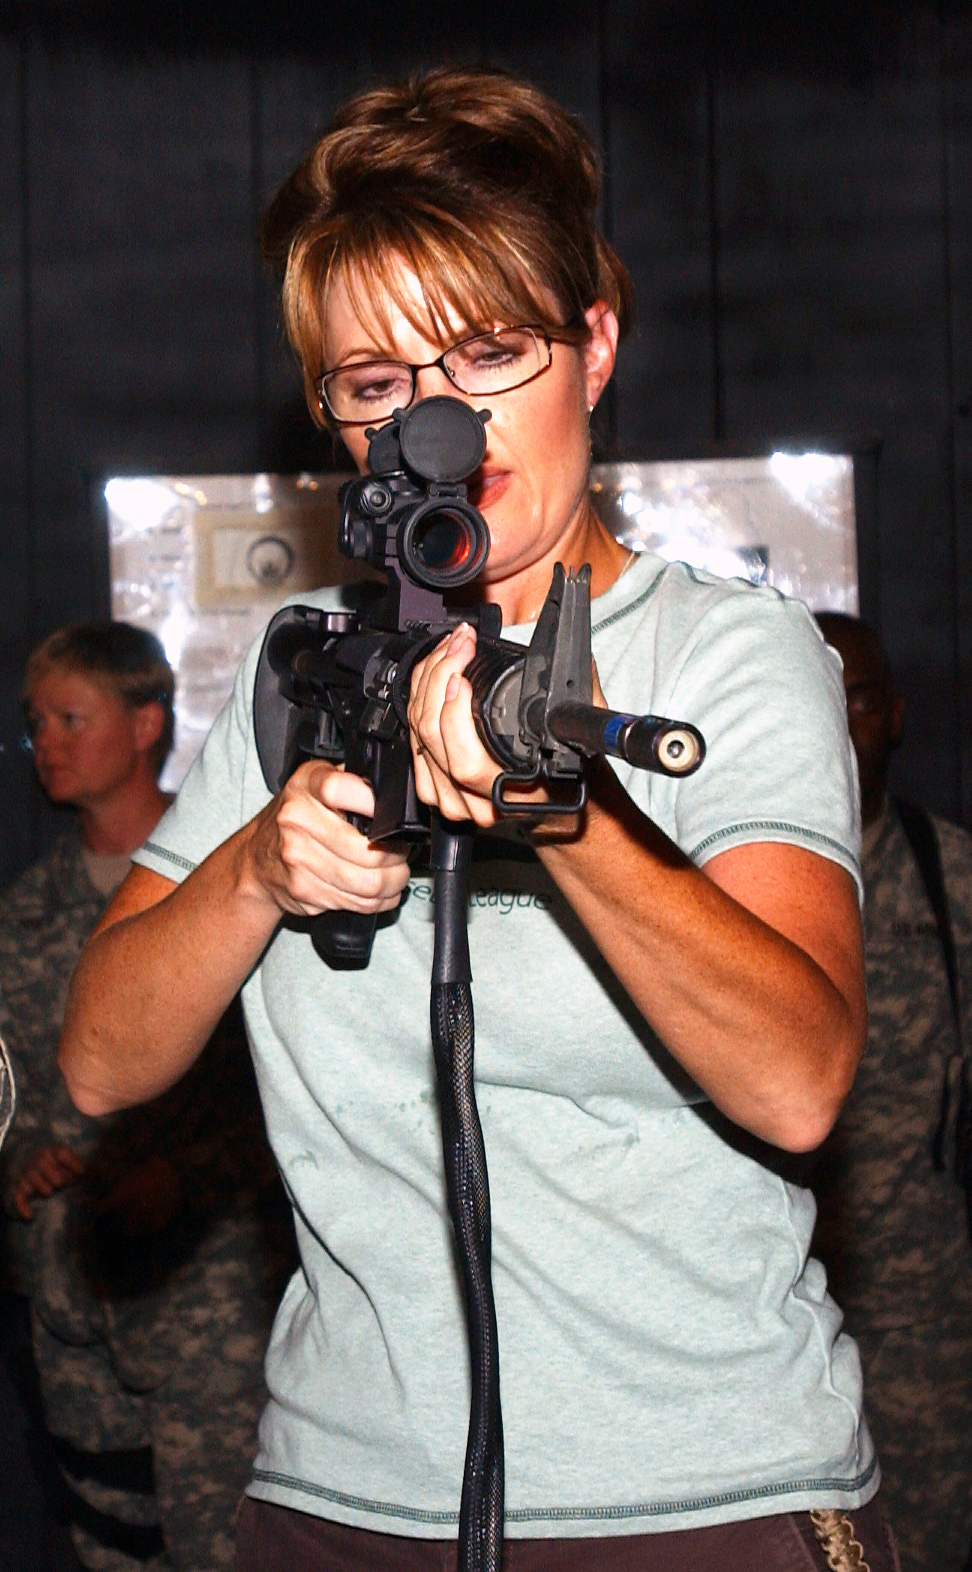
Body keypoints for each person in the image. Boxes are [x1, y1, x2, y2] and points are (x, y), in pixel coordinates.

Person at [58, 69, 890, 1571]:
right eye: (376, 382)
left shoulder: (724, 656)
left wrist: (568, 824)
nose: (440, 418)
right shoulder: (306, 659)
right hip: (341, 1496)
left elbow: (798, 1081)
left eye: (489, 352)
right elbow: (104, 1060)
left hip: (698, 1504)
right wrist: (258, 866)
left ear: (595, 348)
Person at [0, 622, 295, 1572]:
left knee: (222, 1546)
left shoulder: (233, 880)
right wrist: (16, 1156)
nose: (44, 739)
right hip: (67, 1290)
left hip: (205, 1296)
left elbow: (285, 1079)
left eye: (69, 717)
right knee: (109, 1543)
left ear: (144, 726)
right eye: (35, 720)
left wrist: (191, 1176)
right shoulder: (23, 908)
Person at [812, 610, 972, 1572]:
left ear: (895, 716)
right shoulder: (706, 884)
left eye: (857, 698)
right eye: (813, 697)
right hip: (760, 1326)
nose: (834, 721)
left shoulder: (952, 881)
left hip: (923, 1326)